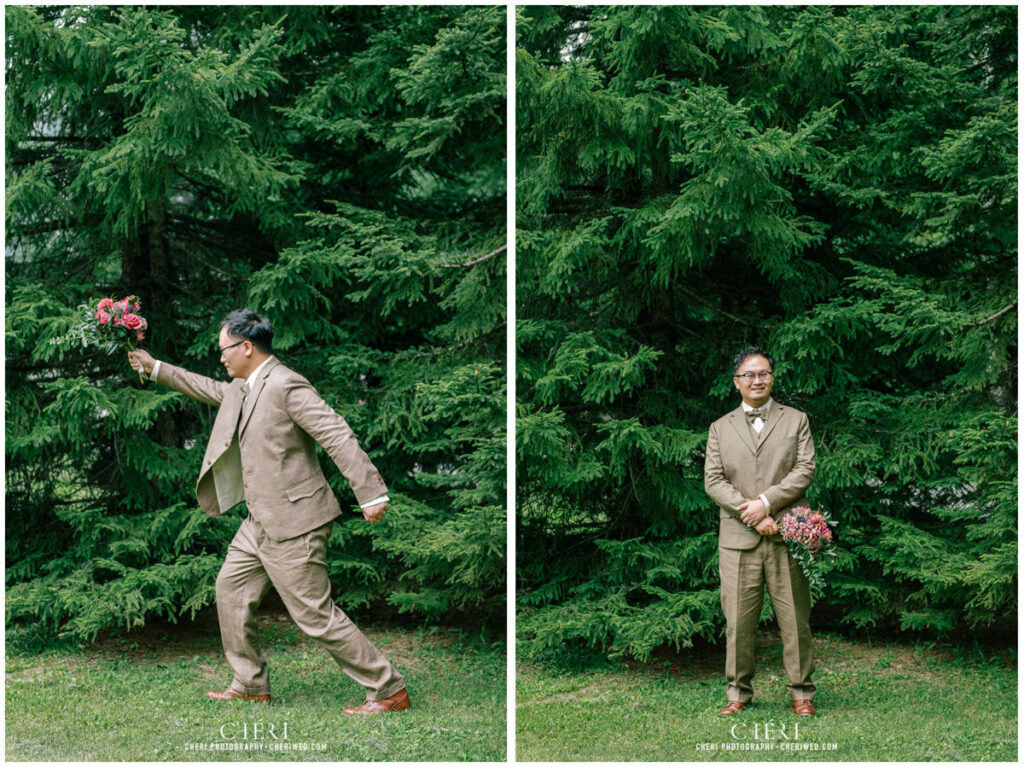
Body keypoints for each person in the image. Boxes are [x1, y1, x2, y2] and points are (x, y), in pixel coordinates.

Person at [128, 309, 409, 715]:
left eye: (224, 348)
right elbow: (206, 387)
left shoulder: (285, 384)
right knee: (230, 590)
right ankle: (249, 682)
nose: (220, 357)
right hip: (257, 522)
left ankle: (387, 689)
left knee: (315, 616)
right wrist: (155, 368)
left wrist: (369, 492)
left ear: (245, 347)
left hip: (296, 522)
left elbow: (335, 432)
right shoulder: (243, 387)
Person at [703, 346, 816, 717]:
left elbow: (804, 470)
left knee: (795, 621)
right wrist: (752, 515)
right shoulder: (720, 428)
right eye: (749, 375)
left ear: (773, 377)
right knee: (737, 623)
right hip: (737, 541)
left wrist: (766, 504)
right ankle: (737, 694)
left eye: (764, 373)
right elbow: (714, 481)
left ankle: (802, 694)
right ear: (736, 382)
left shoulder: (796, 420)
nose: (757, 380)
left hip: (786, 536)